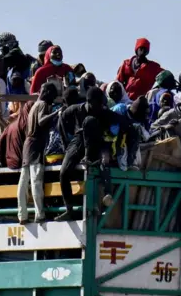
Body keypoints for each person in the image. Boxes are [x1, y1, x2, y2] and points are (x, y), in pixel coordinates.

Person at [56, 87, 133, 221]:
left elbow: (124, 123)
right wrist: (65, 143)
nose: (101, 106)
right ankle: (69, 209)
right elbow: (62, 118)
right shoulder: (76, 109)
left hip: (98, 142)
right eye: (99, 103)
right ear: (89, 102)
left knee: (104, 163)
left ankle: (106, 195)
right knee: (63, 172)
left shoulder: (104, 112)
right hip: (79, 140)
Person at [17, 83, 60, 224]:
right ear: (46, 92)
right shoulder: (43, 105)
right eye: (53, 96)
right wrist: (55, 113)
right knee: (36, 180)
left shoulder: (34, 105)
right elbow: (41, 122)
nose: (53, 100)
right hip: (36, 145)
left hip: (27, 145)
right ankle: (39, 214)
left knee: (24, 181)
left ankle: (22, 215)